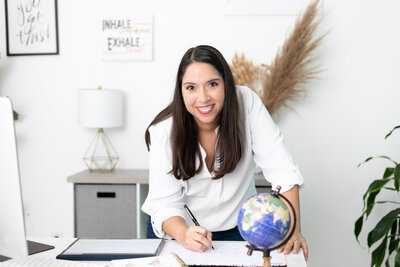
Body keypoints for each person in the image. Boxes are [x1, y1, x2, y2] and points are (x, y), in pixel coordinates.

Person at [141, 45, 308, 260]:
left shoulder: (246, 103)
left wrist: (293, 228)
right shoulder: (164, 131)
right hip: (180, 232)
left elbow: (282, 171)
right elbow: (164, 204)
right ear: (181, 91)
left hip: (241, 229)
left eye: (212, 84)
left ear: (226, 84)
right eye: (191, 87)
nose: (202, 98)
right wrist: (184, 234)